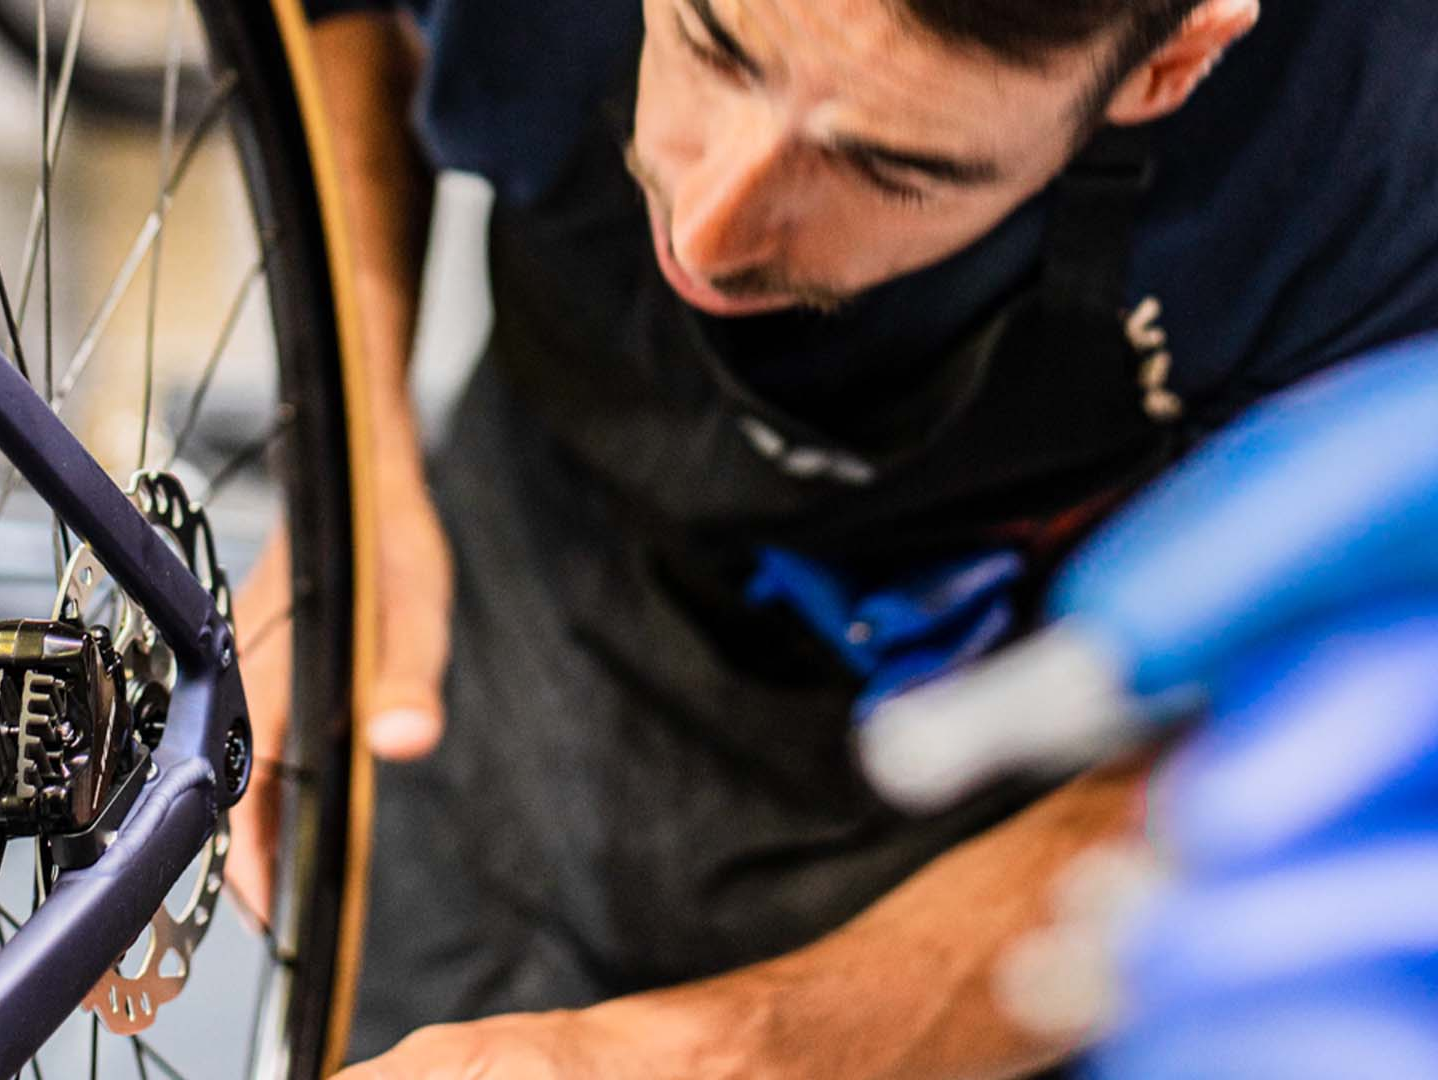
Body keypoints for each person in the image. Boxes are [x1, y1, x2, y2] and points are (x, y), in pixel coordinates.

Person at [229, 0, 1438, 1075]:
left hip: (1002, 812)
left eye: (890, 166)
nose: (708, 231)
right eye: (711, 41)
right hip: (517, 631)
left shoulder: (1389, 148)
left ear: (1173, 61)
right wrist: (351, 449)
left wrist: (734, 1048)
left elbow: (1302, 732)